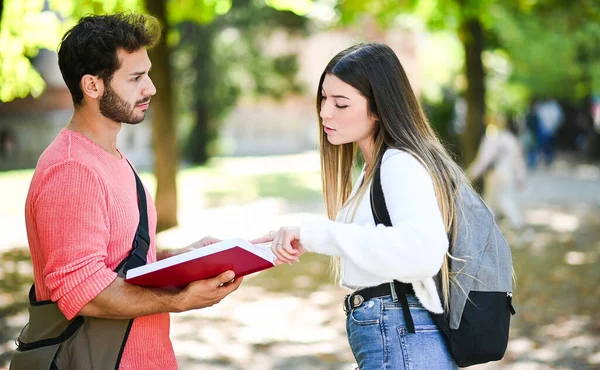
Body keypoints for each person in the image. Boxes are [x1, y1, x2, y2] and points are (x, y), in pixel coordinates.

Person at [17, 14, 242, 370]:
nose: (150, 88)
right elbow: (85, 292)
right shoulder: (72, 169)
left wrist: (183, 257)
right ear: (92, 86)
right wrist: (179, 300)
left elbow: (122, 259)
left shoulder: (113, 157)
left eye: (148, 74)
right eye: (135, 78)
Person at [260, 43, 462, 369]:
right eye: (324, 98)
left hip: (402, 335)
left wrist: (318, 233)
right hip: (395, 336)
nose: (325, 112)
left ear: (379, 108)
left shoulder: (399, 164)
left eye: (340, 103)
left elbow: (423, 252)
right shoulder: (371, 170)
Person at [468, 115, 527, 230]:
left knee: (498, 201)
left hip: (494, 176)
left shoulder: (490, 139)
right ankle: (493, 226)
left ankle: (517, 223)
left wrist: (471, 174)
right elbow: (518, 161)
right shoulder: (511, 140)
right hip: (507, 176)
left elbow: (483, 161)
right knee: (496, 201)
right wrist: (520, 178)